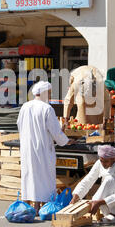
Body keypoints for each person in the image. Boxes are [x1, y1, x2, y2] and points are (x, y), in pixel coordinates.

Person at [17, 81, 75, 214]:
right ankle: (41, 207)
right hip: (42, 148)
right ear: (43, 93)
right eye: (48, 93)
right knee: (44, 176)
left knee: (30, 175)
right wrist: (66, 141)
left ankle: (30, 205)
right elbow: (55, 132)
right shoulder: (47, 108)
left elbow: (19, 125)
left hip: (27, 148)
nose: (49, 95)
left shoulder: (25, 107)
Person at [70, 145, 115, 224]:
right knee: (107, 182)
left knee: (109, 180)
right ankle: (110, 213)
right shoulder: (99, 163)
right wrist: (76, 196)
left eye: (106, 161)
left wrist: (99, 202)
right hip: (114, 190)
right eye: (101, 161)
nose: (103, 164)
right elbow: (88, 180)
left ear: (113, 159)